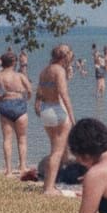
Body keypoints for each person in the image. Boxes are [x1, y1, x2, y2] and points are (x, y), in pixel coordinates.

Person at [34, 44, 76, 195]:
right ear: (64, 56)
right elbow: (64, 95)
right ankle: (49, 188)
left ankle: (51, 182)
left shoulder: (45, 70)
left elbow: (39, 92)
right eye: (69, 53)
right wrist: (72, 117)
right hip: (57, 110)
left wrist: (36, 105)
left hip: (46, 110)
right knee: (57, 152)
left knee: (55, 149)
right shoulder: (59, 71)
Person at [0, 51, 31, 175]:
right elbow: (29, 91)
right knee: (22, 138)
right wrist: (24, 98)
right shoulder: (20, 76)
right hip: (20, 105)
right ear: (14, 63)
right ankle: (22, 167)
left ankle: (8, 170)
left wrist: (2, 97)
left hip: (6, 106)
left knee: (7, 139)